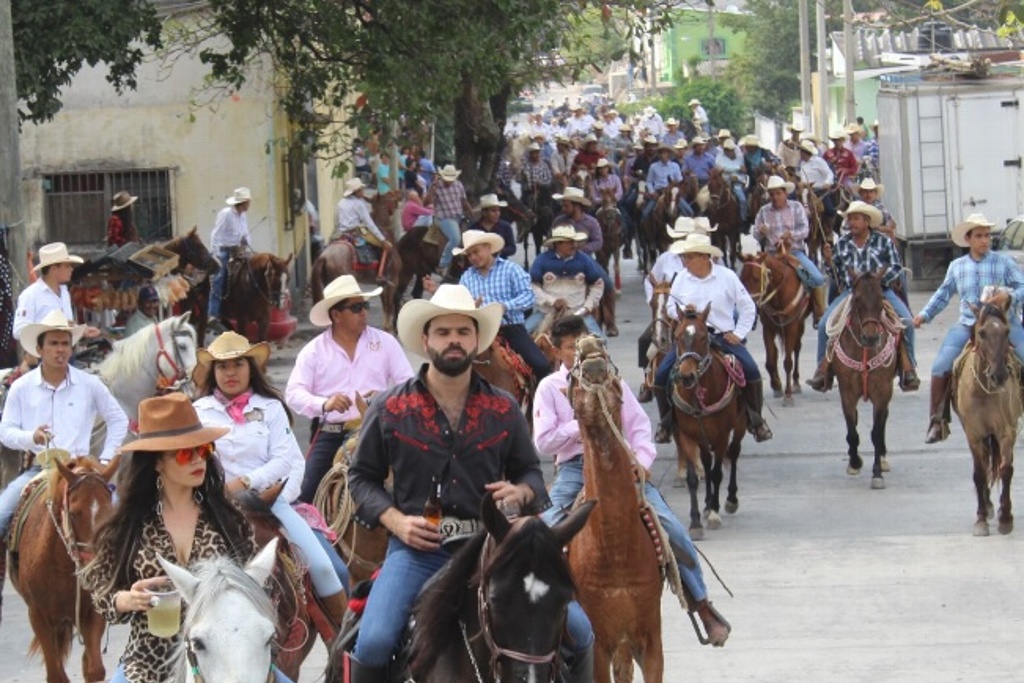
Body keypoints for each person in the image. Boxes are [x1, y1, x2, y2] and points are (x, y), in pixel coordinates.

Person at [345, 284, 594, 681]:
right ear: (425, 340)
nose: (454, 341)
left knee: (579, 632)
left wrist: (522, 491)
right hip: (417, 551)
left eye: (463, 332)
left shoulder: (503, 406)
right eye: (443, 332)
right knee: (373, 641)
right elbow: (360, 479)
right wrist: (395, 521)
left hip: (493, 549)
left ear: (477, 340)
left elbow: (531, 472)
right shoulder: (390, 407)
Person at [535, 315, 731, 646]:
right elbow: (543, 442)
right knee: (546, 529)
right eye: (570, 348)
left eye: (582, 344)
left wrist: (642, 461)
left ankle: (701, 604)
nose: (578, 353)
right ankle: (549, 607)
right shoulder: (549, 388)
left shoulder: (613, 381)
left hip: (620, 464)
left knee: (672, 529)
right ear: (558, 351)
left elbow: (638, 426)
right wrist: (583, 421)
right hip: (573, 468)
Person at [79, 394, 286, 683]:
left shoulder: (229, 518)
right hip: (148, 664)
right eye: (185, 453)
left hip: (225, 664)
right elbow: (101, 596)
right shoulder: (127, 527)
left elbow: (256, 589)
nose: (199, 459)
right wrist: (126, 600)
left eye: (204, 449)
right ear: (156, 463)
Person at [192, 331, 349, 630]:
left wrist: (246, 483)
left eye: (238, 364)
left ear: (251, 367)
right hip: (213, 507)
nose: (230, 372)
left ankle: (345, 648)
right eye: (222, 366)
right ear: (213, 372)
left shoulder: (271, 408)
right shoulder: (198, 412)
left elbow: (284, 461)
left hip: (270, 503)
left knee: (328, 570)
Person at [0, 311, 129, 545]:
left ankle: (122, 578)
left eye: (65, 344)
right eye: (53, 343)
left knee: (126, 523)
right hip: (39, 470)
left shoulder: (89, 384)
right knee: (1, 516)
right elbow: (5, 431)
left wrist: (107, 458)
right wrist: (32, 437)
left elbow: (119, 419)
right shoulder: (21, 387)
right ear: (39, 349)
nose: (60, 349)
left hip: (83, 471)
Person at [285, 275, 414, 504]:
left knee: (412, 485)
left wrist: (383, 398)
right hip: (333, 432)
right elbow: (293, 392)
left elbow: (409, 385)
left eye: (364, 305)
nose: (364, 312)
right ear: (336, 315)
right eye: (356, 308)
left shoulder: (386, 342)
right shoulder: (314, 351)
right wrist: (324, 403)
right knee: (304, 495)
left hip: (378, 430)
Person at [912, 214, 1024, 443]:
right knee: (941, 365)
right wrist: (925, 314)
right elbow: (943, 294)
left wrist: (1009, 295)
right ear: (968, 239)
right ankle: (937, 420)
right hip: (968, 324)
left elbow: (1023, 286)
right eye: (979, 236)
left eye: (987, 236)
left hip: (1004, 324)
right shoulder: (957, 267)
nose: (985, 241)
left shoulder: (1004, 263)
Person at [652, 234, 773, 444]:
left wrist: (738, 333)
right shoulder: (681, 277)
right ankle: (666, 423)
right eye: (685, 258)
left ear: (704, 257)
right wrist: (683, 311)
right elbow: (671, 306)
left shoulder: (727, 277)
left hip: (720, 337)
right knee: (661, 375)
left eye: (689, 257)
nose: (685, 262)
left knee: (752, 370)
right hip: (690, 340)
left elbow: (747, 307)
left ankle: (756, 420)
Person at [806, 201, 919, 392]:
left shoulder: (883, 241)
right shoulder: (842, 243)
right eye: (850, 218)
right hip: (853, 292)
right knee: (825, 324)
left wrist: (877, 281)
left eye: (856, 218)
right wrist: (828, 261)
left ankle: (909, 369)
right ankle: (822, 371)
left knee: (906, 321)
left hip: (881, 291)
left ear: (867, 221)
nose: (852, 222)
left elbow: (896, 266)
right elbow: (837, 275)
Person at [425, 230, 550, 379]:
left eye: (476, 252)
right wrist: (440, 291)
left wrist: (505, 306)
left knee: (541, 365)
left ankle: (538, 400)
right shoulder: (467, 277)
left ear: (488, 248)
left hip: (510, 329)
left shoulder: (511, 269)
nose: (473, 258)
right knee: (446, 365)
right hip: (479, 332)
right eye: (469, 255)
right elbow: (459, 302)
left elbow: (529, 296)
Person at [753, 175, 827, 324]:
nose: (775, 197)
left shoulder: (796, 207)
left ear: (785, 193)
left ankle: (819, 313)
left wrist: (791, 235)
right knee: (752, 278)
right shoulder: (763, 211)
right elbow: (755, 234)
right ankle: (752, 313)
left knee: (817, 278)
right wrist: (760, 232)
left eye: (778, 193)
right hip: (771, 255)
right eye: (772, 194)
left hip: (794, 252)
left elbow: (805, 230)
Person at [551, 187, 618, 335]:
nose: (563, 208)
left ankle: (611, 322)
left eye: (566, 205)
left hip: (586, 260)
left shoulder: (591, 222)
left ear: (576, 205)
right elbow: (552, 242)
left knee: (607, 285)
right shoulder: (559, 222)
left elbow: (598, 242)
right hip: (561, 260)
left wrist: (581, 250)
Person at [525, 226, 605, 337]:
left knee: (601, 341)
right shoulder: (542, 260)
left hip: (577, 313)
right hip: (547, 312)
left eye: (574, 241)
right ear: (558, 244)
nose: (574, 245)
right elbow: (532, 286)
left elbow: (597, 284)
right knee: (522, 337)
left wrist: (587, 306)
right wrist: (553, 301)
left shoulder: (585, 260)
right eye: (569, 242)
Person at [14, 242, 100, 341]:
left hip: (66, 352)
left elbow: (67, 325)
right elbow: (18, 331)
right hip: (43, 353)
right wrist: (49, 327)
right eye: (67, 266)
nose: (71, 269)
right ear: (54, 269)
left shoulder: (64, 293)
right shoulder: (30, 295)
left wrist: (82, 331)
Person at [333, 178, 394, 287]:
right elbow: (369, 223)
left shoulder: (340, 202)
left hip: (342, 233)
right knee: (384, 247)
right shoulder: (359, 204)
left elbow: (336, 221)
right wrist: (383, 240)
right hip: (356, 232)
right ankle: (380, 275)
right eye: (361, 189)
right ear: (356, 191)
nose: (363, 192)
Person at [209, 187, 252, 318]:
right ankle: (213, 314)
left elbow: (245, 233)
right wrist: (215, 254)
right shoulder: (226, 213)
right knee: (219, 278)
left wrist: (246, 241)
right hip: (224, 250)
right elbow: (216, 234)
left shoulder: (243, 215)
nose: (249, 204)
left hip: (239, 250)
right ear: (243, 202)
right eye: (248, 202)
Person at [425, 165, 474, 277]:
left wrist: (470, 211)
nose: (449, 182)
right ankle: (443, 264)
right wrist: (432, 190)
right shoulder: (436, 186)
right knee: (455, 238)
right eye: (447, 179)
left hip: (458, 216)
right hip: (443, 217)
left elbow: (463, 200)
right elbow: (426, 202)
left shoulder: (458, 185)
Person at [798, 139, 837, 220]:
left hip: (818, 190)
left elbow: (829, 173)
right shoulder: (802, 163)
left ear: (804, 152)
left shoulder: (818, 161)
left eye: (801, 151)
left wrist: (827, 182)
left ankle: (830, 229)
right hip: (804, 190)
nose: (799, 153)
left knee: (829, 210)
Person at [467, 194, 516, 258]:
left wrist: (500, 251)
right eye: (493, 211)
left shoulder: (505, 227)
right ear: (484, 213)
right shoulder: (473, 229)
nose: (497, 214)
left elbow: (512, 248)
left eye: (498, 210)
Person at [715, 138, 749, 223]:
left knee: (742, 200)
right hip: (724, 182)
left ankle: (743, 219)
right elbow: (719, 168)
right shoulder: (720, 157)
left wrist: (739, 171)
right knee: (714, 198)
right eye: (727, 150)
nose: (729, 151)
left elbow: (744, 170)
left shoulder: (740, 157)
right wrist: (736, 169)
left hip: (737, 182)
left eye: (731, 150)